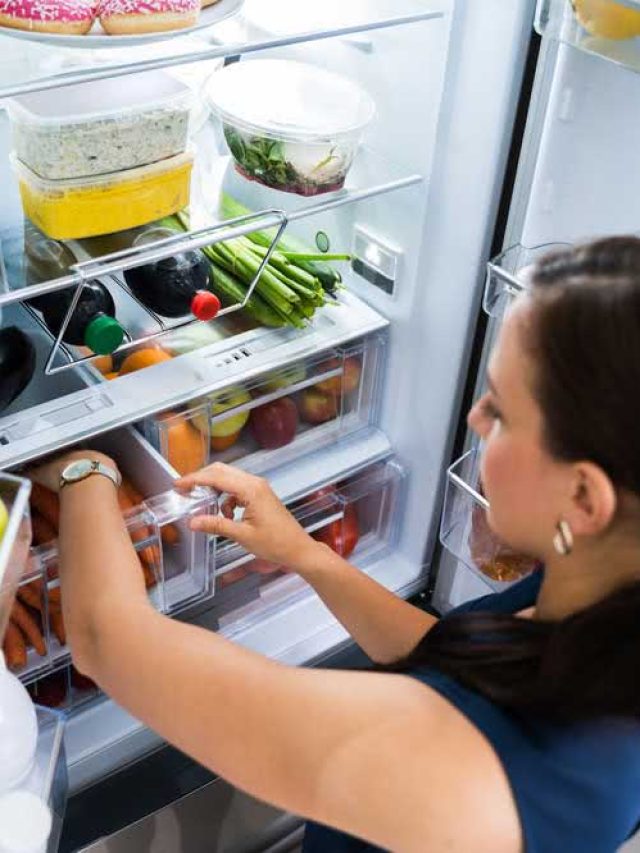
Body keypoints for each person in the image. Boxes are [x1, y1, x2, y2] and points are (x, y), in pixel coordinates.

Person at [31, 237, 640, 852]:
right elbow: (463, 660)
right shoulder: (602, 608)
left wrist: (87, 468)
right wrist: (305, 554)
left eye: (502, 411)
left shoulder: (445, 770)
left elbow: (104, 638)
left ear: (585, 499)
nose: (476, 419)